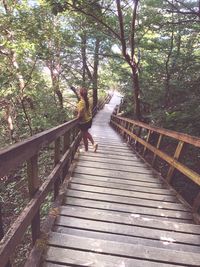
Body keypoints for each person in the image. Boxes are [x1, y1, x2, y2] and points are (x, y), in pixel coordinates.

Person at [77, 87, 98, 152]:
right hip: (89, 120)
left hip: (84, 121)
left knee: (85, 133)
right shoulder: (87, 101)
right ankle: (86, 149)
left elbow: (81, 112)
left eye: (78, 92)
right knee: (84, 135)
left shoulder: (81, 102)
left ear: (80, 94)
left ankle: (93, 143)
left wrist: (77, 117)